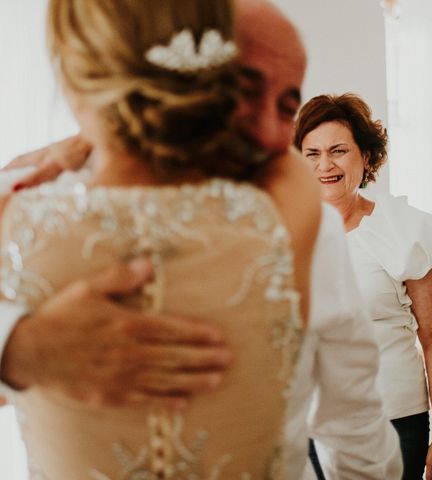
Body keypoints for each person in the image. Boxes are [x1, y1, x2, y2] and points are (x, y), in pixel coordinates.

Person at [0, 1, 402, 477]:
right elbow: (357, 437)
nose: (270, 136)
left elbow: (352, 426)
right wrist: (18, 348)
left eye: (287, 106)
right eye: (244, 92)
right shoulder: (295, 219)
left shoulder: (16, 216)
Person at [295, 93, 432, 480]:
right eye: (312, 153)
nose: (325, 165)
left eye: (338, 150)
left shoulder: (406, 229)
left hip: (389, 422)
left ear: (366, 157)